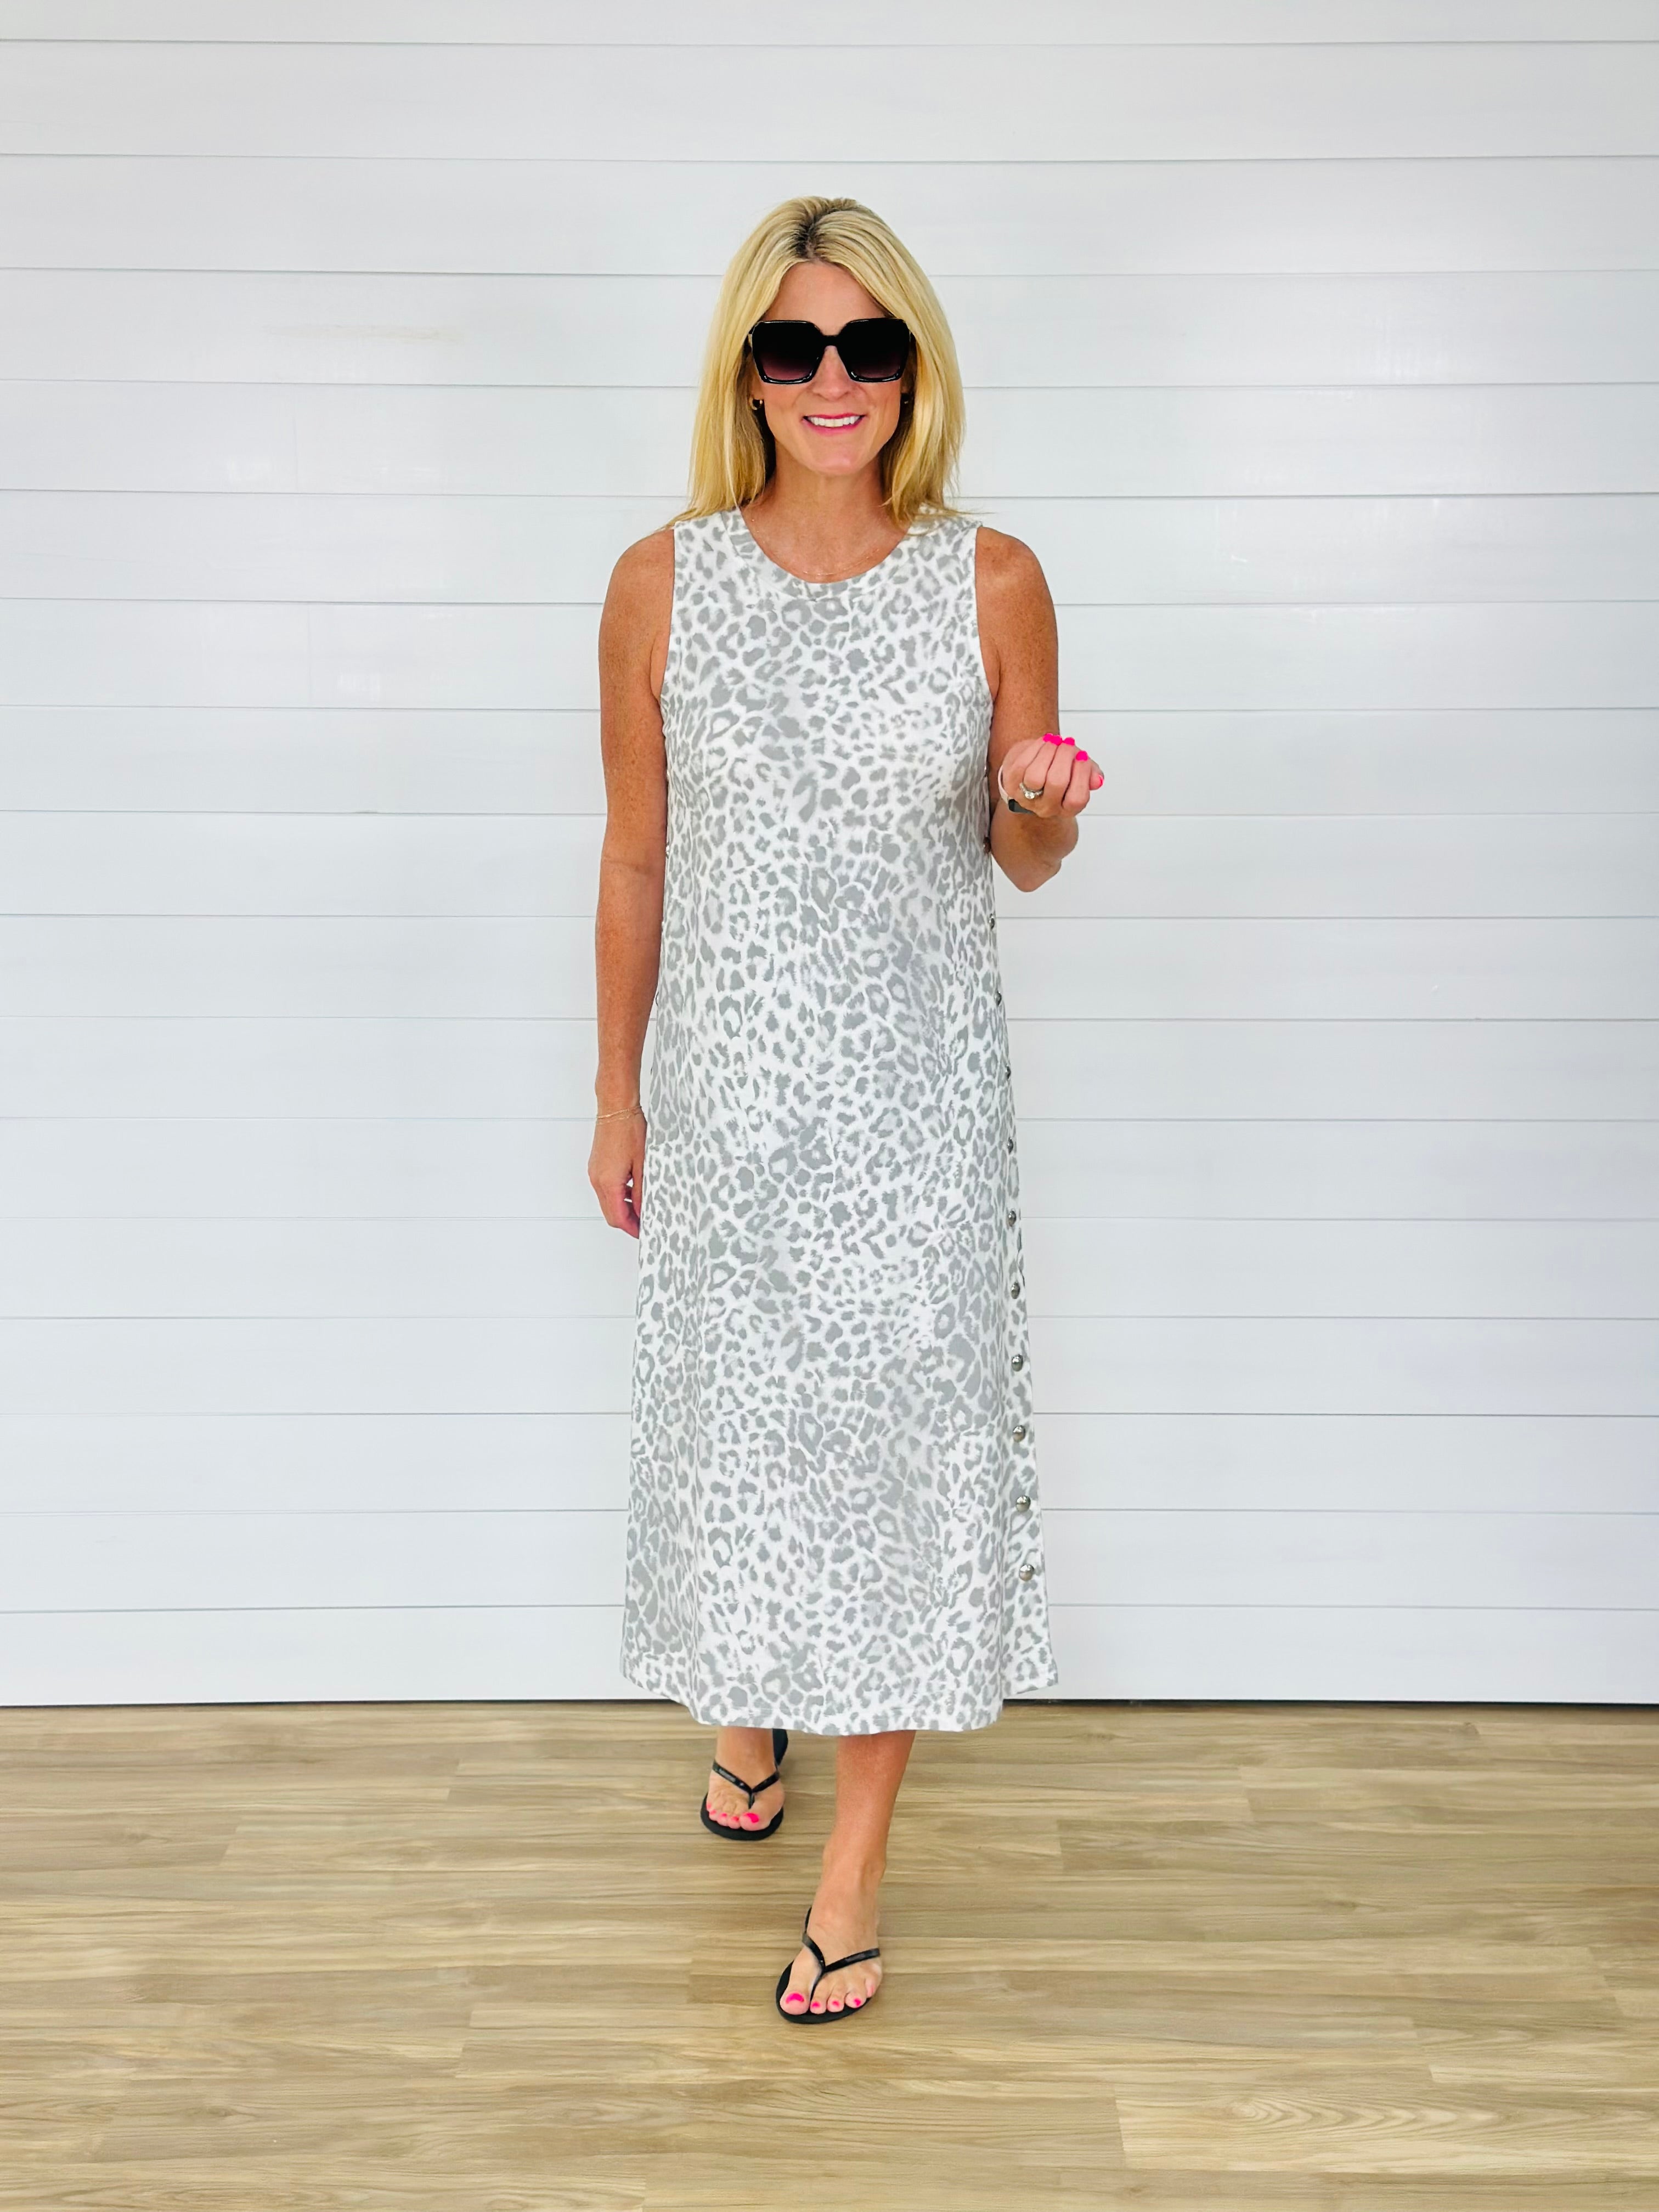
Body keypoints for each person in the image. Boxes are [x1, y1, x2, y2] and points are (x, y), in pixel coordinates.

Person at [588, 196, 1102, 2022]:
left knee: (894, 1465)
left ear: (912, 370)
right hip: (731, 1103)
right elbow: (636, 858)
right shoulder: (661, 582)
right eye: (795, 345)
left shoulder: (993, 580)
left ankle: (854, 1868)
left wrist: (1039, 802)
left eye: (869, 345)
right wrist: (615, 1091)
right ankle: (747, 1709)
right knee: (744, 1439)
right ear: (746, 369)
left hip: (917, 1115)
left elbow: (1021, 859)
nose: (833, 379)